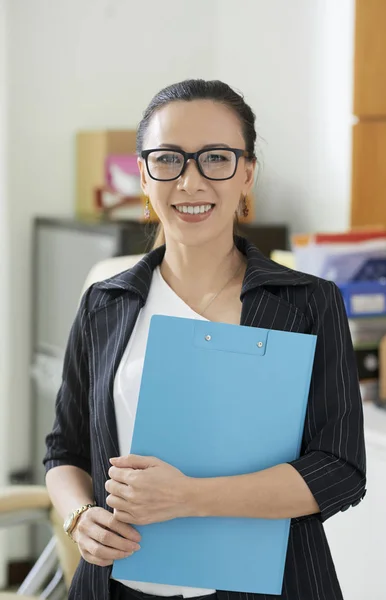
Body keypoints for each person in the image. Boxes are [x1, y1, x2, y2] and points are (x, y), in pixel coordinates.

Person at [44, 79, 367, 600]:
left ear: (247, 173)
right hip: (119, 584)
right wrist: (80, 517)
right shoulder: (106, 303)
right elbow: (64, 451)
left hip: (268, 586)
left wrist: (189, 497)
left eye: (215, 158)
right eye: (168, 159)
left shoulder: (308, 303)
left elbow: (341, 469)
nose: (190, 182)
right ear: (145, 176)